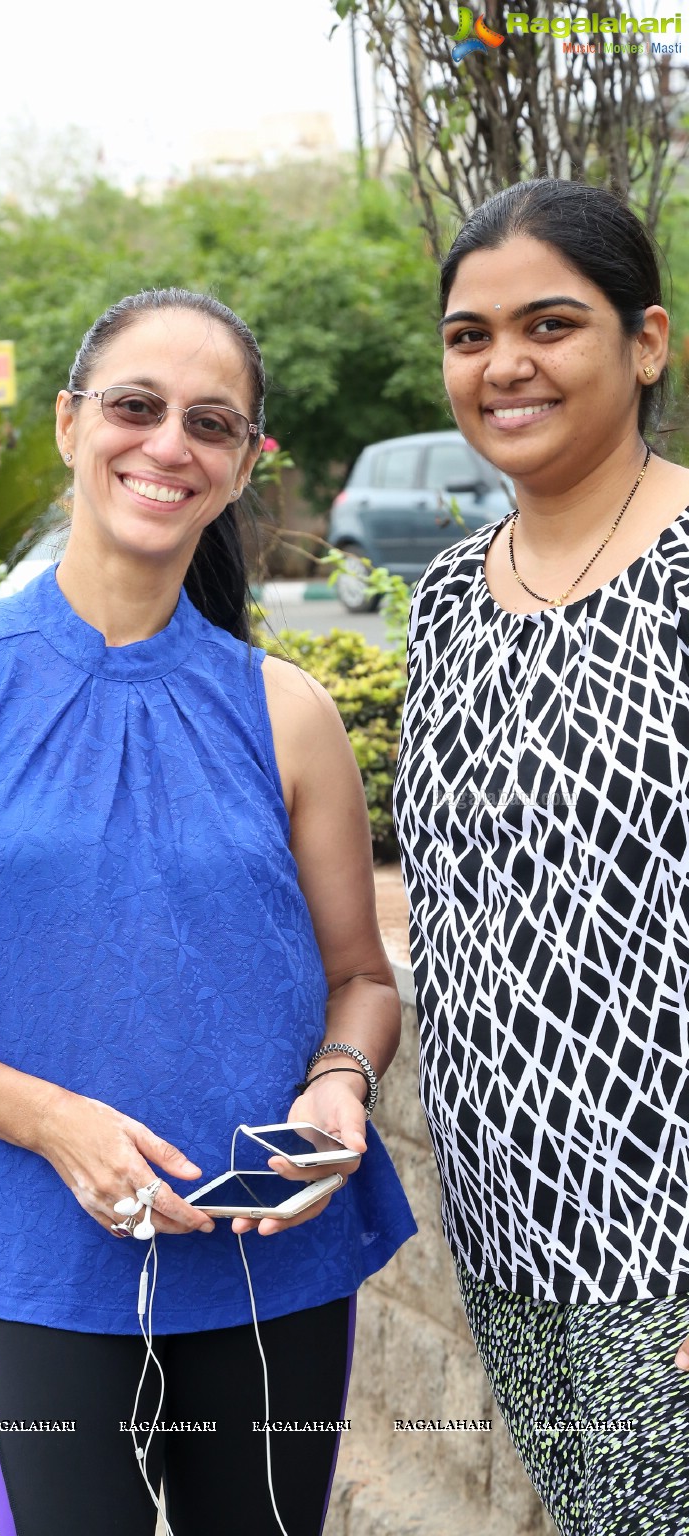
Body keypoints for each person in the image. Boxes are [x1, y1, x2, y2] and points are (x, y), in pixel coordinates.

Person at [0, 288, 416, 1536]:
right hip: (44, 1262)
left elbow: (362, 974)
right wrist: (55, 1124)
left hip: (270, 1260)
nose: (166, 444)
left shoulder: (284, 711)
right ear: (69, 424)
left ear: (246, 463)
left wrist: (341, 1084)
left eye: (210, 422)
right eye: (135, 407)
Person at [394, 180, 689, 1536]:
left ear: (645, 342)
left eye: (548, 323)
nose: (503, 364)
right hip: (511, 1230)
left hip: (667, 1233)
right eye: (469, 334)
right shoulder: (450, 599)